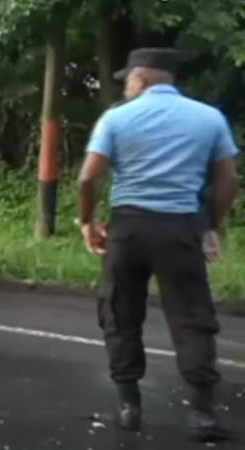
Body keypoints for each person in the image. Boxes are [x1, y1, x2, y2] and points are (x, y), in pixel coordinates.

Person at [77, 47, 239, 442]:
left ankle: (129, 407)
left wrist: (87, 222)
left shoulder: (116, 118)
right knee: (192, 317)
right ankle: (202, 415)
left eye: (127, 81)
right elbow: (228, 181)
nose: (126, 88)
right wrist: (209, 224)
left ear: (142, 78)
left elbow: (87, 179)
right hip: (180, 229)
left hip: (128, 229)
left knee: (120, 312)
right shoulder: (209, 118)